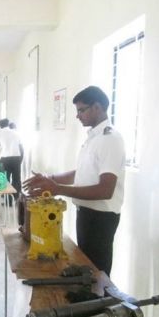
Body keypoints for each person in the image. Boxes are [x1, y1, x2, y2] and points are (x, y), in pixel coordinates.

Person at [23, 86, 125, 276]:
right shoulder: (94, 138)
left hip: (100, 219)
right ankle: (90, 303)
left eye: (81, 110)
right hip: (87, 213)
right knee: (87, 268)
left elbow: (105, 190)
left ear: (97, 107)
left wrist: (58, 189)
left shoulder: (110, 139)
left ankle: (98, 304)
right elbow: (83, 173)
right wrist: (50, 179)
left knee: (97, 273)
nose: (78, 116)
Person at [0, 118, 23, 200]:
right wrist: (20, 160)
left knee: (5, 179)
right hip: (16, 159)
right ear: (8, 124)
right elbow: (21, 148)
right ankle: (15, 198)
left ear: (0, 125)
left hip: (5, 160)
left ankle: (8, 200)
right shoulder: (16, 134)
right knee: (16, 179)